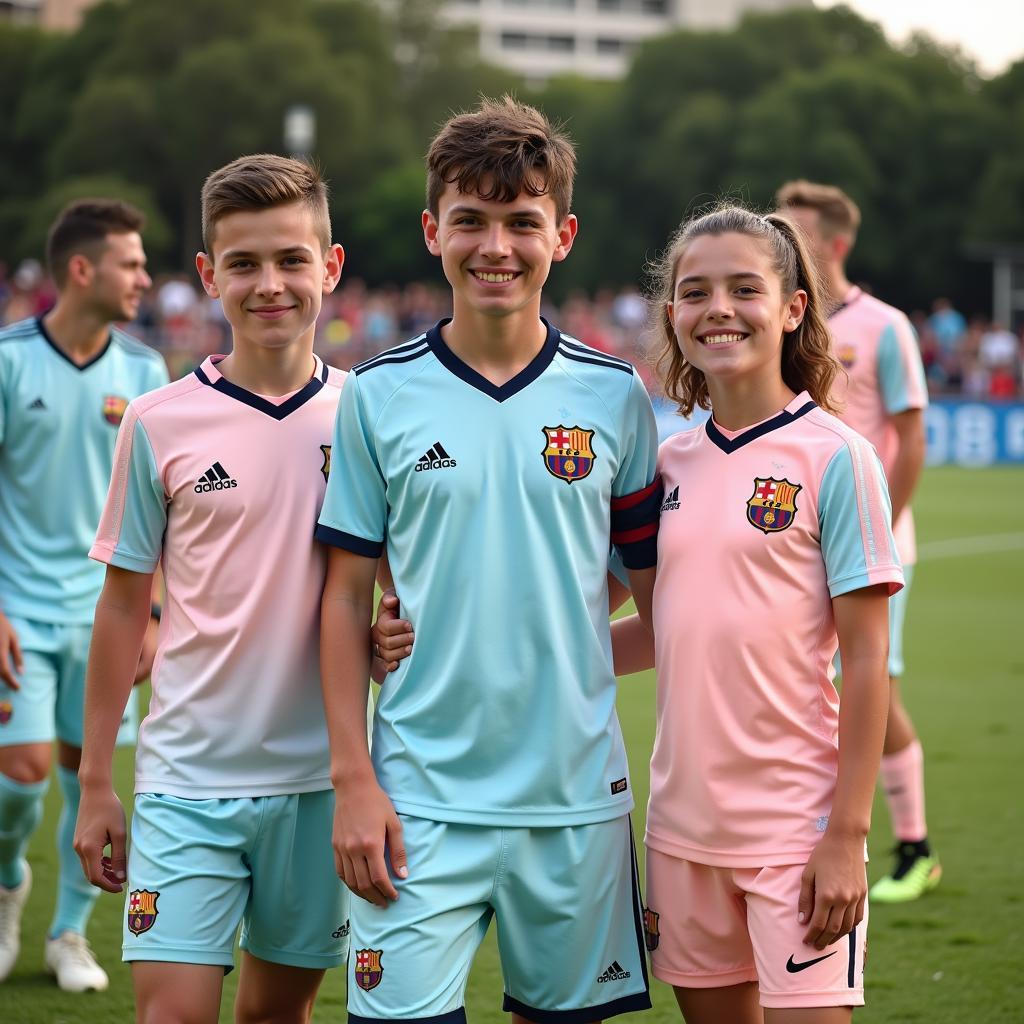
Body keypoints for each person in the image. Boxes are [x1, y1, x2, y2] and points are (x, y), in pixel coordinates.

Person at [315, 96, 662, 1024]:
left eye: (522, 222)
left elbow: (657, 605)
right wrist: (355, 781)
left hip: (575, 803)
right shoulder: (376, 397)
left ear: (565, 235)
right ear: (434, 230)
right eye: (470, 220)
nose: (495, 245)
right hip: (415, 798)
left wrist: (576, 649)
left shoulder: (616, 396)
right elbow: (344, 601)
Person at [604, 205, 902, 1022]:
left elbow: (868, 659)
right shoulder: (664, 462)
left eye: (745, 288)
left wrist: (846, 835)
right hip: (681, 831)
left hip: (795, 833)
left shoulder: (837, 458)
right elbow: (658, 631)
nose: (719, 309)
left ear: (794, 307)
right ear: (673, 316)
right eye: (695, 293)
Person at [73, 154, 350, 1023]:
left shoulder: (371, 416)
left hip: (322, 785)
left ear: (330, 267)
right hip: (184, 781)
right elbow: (123, 606)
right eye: (243, 264)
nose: (270, 284)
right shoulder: (160, 421)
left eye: (291, 260)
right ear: (207, 277)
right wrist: (93, 782)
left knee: (278, 1016)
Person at [0, 199, 168, 992]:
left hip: (104, 614)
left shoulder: (143, 372)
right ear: (81, 269)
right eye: (131, 264)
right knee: (19, 778)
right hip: (17, 613)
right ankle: (9, 886)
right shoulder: (7, 360)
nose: (145, 278)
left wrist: (157, 615)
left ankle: (69, 934)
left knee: (84, 776)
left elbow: (163, 510)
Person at [776, 181, 941, 903]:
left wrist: (879, 530)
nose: (781, 238)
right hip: (791, 536)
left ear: (836, 246)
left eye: (798, 231)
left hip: (869, 543)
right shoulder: (783, 319)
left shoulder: (885, 327)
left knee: (876, 684)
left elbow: (909, 437)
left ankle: (915, 845)